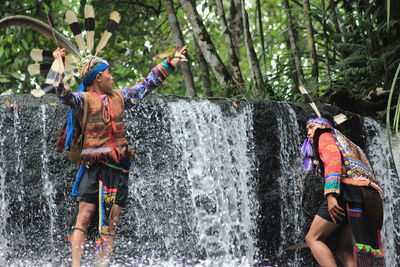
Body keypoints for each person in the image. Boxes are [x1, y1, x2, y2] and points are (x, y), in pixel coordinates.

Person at [52, 46, 187, 267]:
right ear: (98, 77)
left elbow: (146, 85)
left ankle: (102, 265)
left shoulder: (120, 97)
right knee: (84, 216)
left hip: (119, 167)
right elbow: (62, 94)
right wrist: (59, 63)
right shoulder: (82, 100)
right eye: (109, 73)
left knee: (112, 221)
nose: (112, 77)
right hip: (94, 167)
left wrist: (169, 64)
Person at [301, 115, 385, 267]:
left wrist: (331, 196)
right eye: (307, 129)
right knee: (344, 250)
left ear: (324, 126)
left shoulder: (325, 135)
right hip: (368, 196)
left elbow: (333, 162)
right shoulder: (349, 143)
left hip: (347, 191)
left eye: (312, 127)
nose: (309, 132)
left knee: (313, 238)